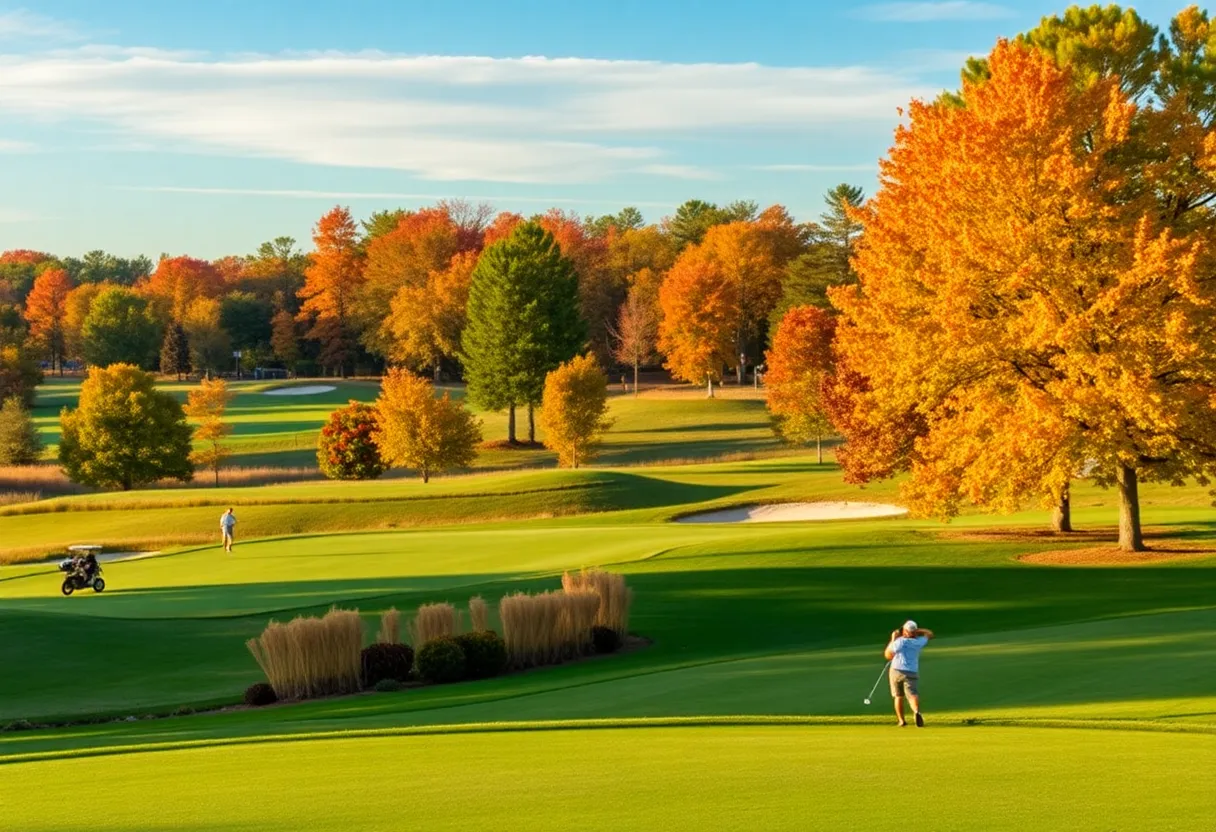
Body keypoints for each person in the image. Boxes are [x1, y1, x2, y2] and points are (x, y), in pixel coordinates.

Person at [885, 619, 934, 727]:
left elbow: (888, 655)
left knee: (898, 696)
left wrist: (893, 638)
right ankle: (916, 711)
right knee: (912, 694)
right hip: (911, 671)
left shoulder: (900, 641)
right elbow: (929, 634)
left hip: (896, 670)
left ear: (905, 631)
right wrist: (916, 631)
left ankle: (901, 721)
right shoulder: (919, 642)